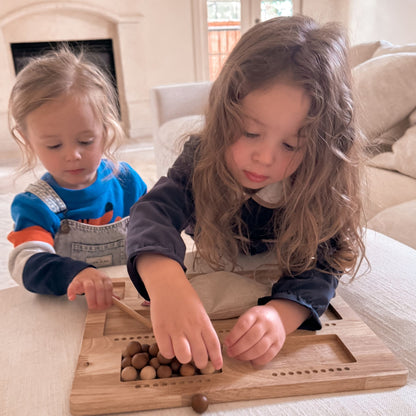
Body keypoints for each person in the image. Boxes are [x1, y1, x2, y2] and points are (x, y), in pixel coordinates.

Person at [126, 15, 366, 371]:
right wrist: (165, 281)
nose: (265, 158)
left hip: (280, 268)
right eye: (251, 132)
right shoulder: (201, 159)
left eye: (290, 144)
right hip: (216, 260)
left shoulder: (316, 182)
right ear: (224, 116)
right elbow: (152, 213)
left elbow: (325, 261)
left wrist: (282, 315)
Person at [7, 48, 147, 310]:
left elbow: (154, 230)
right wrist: (74, 273)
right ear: (28, 140)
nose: (73, 155)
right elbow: (25, 263)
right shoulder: (35, 205)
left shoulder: (127, 182)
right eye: (53, 145)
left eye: (86, 141)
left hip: (133, 297)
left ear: (105, 131)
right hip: (72, 310)